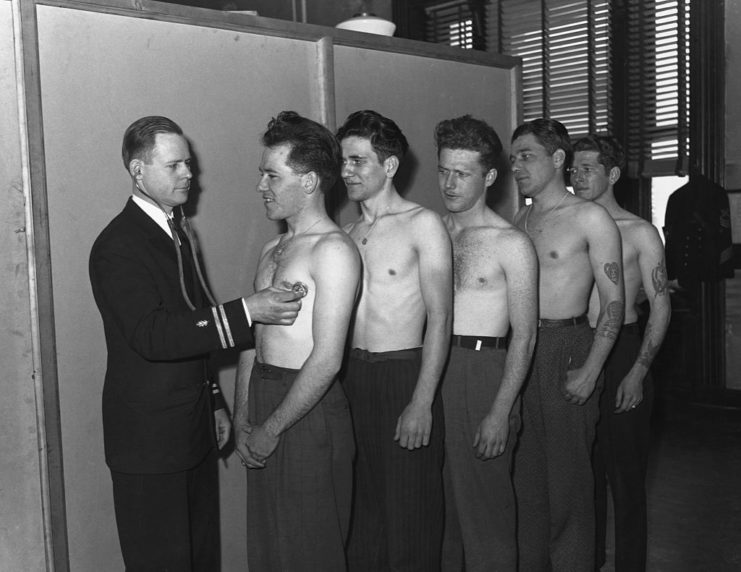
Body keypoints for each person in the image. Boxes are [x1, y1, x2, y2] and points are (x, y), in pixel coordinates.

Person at [89, 115, 303, 571]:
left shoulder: (178, 231)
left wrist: (212, 401)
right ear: (138, 170)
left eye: (189, 164)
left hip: (191, 431)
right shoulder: (118, 245)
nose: (189, 174)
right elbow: (154, 335)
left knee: (200, 559)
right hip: (148, 443)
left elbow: (190, 320)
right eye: (175, 165)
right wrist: (248, 311)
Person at [233, 111, 361, 572]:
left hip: (308, 409)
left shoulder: (334, 251)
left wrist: (272, 427)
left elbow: (326, 360)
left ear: (308, 181)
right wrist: (245, 416)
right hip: (265, 400)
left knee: (311, 551)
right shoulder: (272, 250)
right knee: (270, 551)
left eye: (272, 174)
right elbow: (253, 340)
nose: (261, 185)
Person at [337, 109, 453, 572]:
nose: (346, 171)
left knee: (411, 513)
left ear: (388, 166)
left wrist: (422, 401)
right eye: (344, 160)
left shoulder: (422, 225)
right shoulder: (346, 233)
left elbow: (442, 318)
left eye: (358, 161)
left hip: (403, 374)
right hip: (351, 378)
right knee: (361, 512)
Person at [510, 118, 625, 572]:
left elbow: (613, 301)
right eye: (513, 158)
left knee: (570, 483)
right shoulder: (520, 218)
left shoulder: (589, 218)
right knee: (527, 479)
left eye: (527, 156)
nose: (517, 166)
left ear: (558, 159)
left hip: (569, 346)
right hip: (524, 347)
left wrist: (593, 368)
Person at [435, 115, 538, 572]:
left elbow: (526, 334)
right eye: (444, 171)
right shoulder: (432, 230)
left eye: (463, 173)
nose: (450, 183)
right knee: (443, 513)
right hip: (432, 368)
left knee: (487, 511)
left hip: (483, 372)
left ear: (489, 176)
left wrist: (500, 409)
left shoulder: (510, 243)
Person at [572, 134, 671, 571]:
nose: (577, 177)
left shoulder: (639, 232)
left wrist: (638, 371)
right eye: (573, 169)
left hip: (624, 353)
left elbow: (661, 307)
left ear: (612, 174)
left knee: (626, 480)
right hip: (577, 347)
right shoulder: (567, 225)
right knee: (583, 476)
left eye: (588, 168)